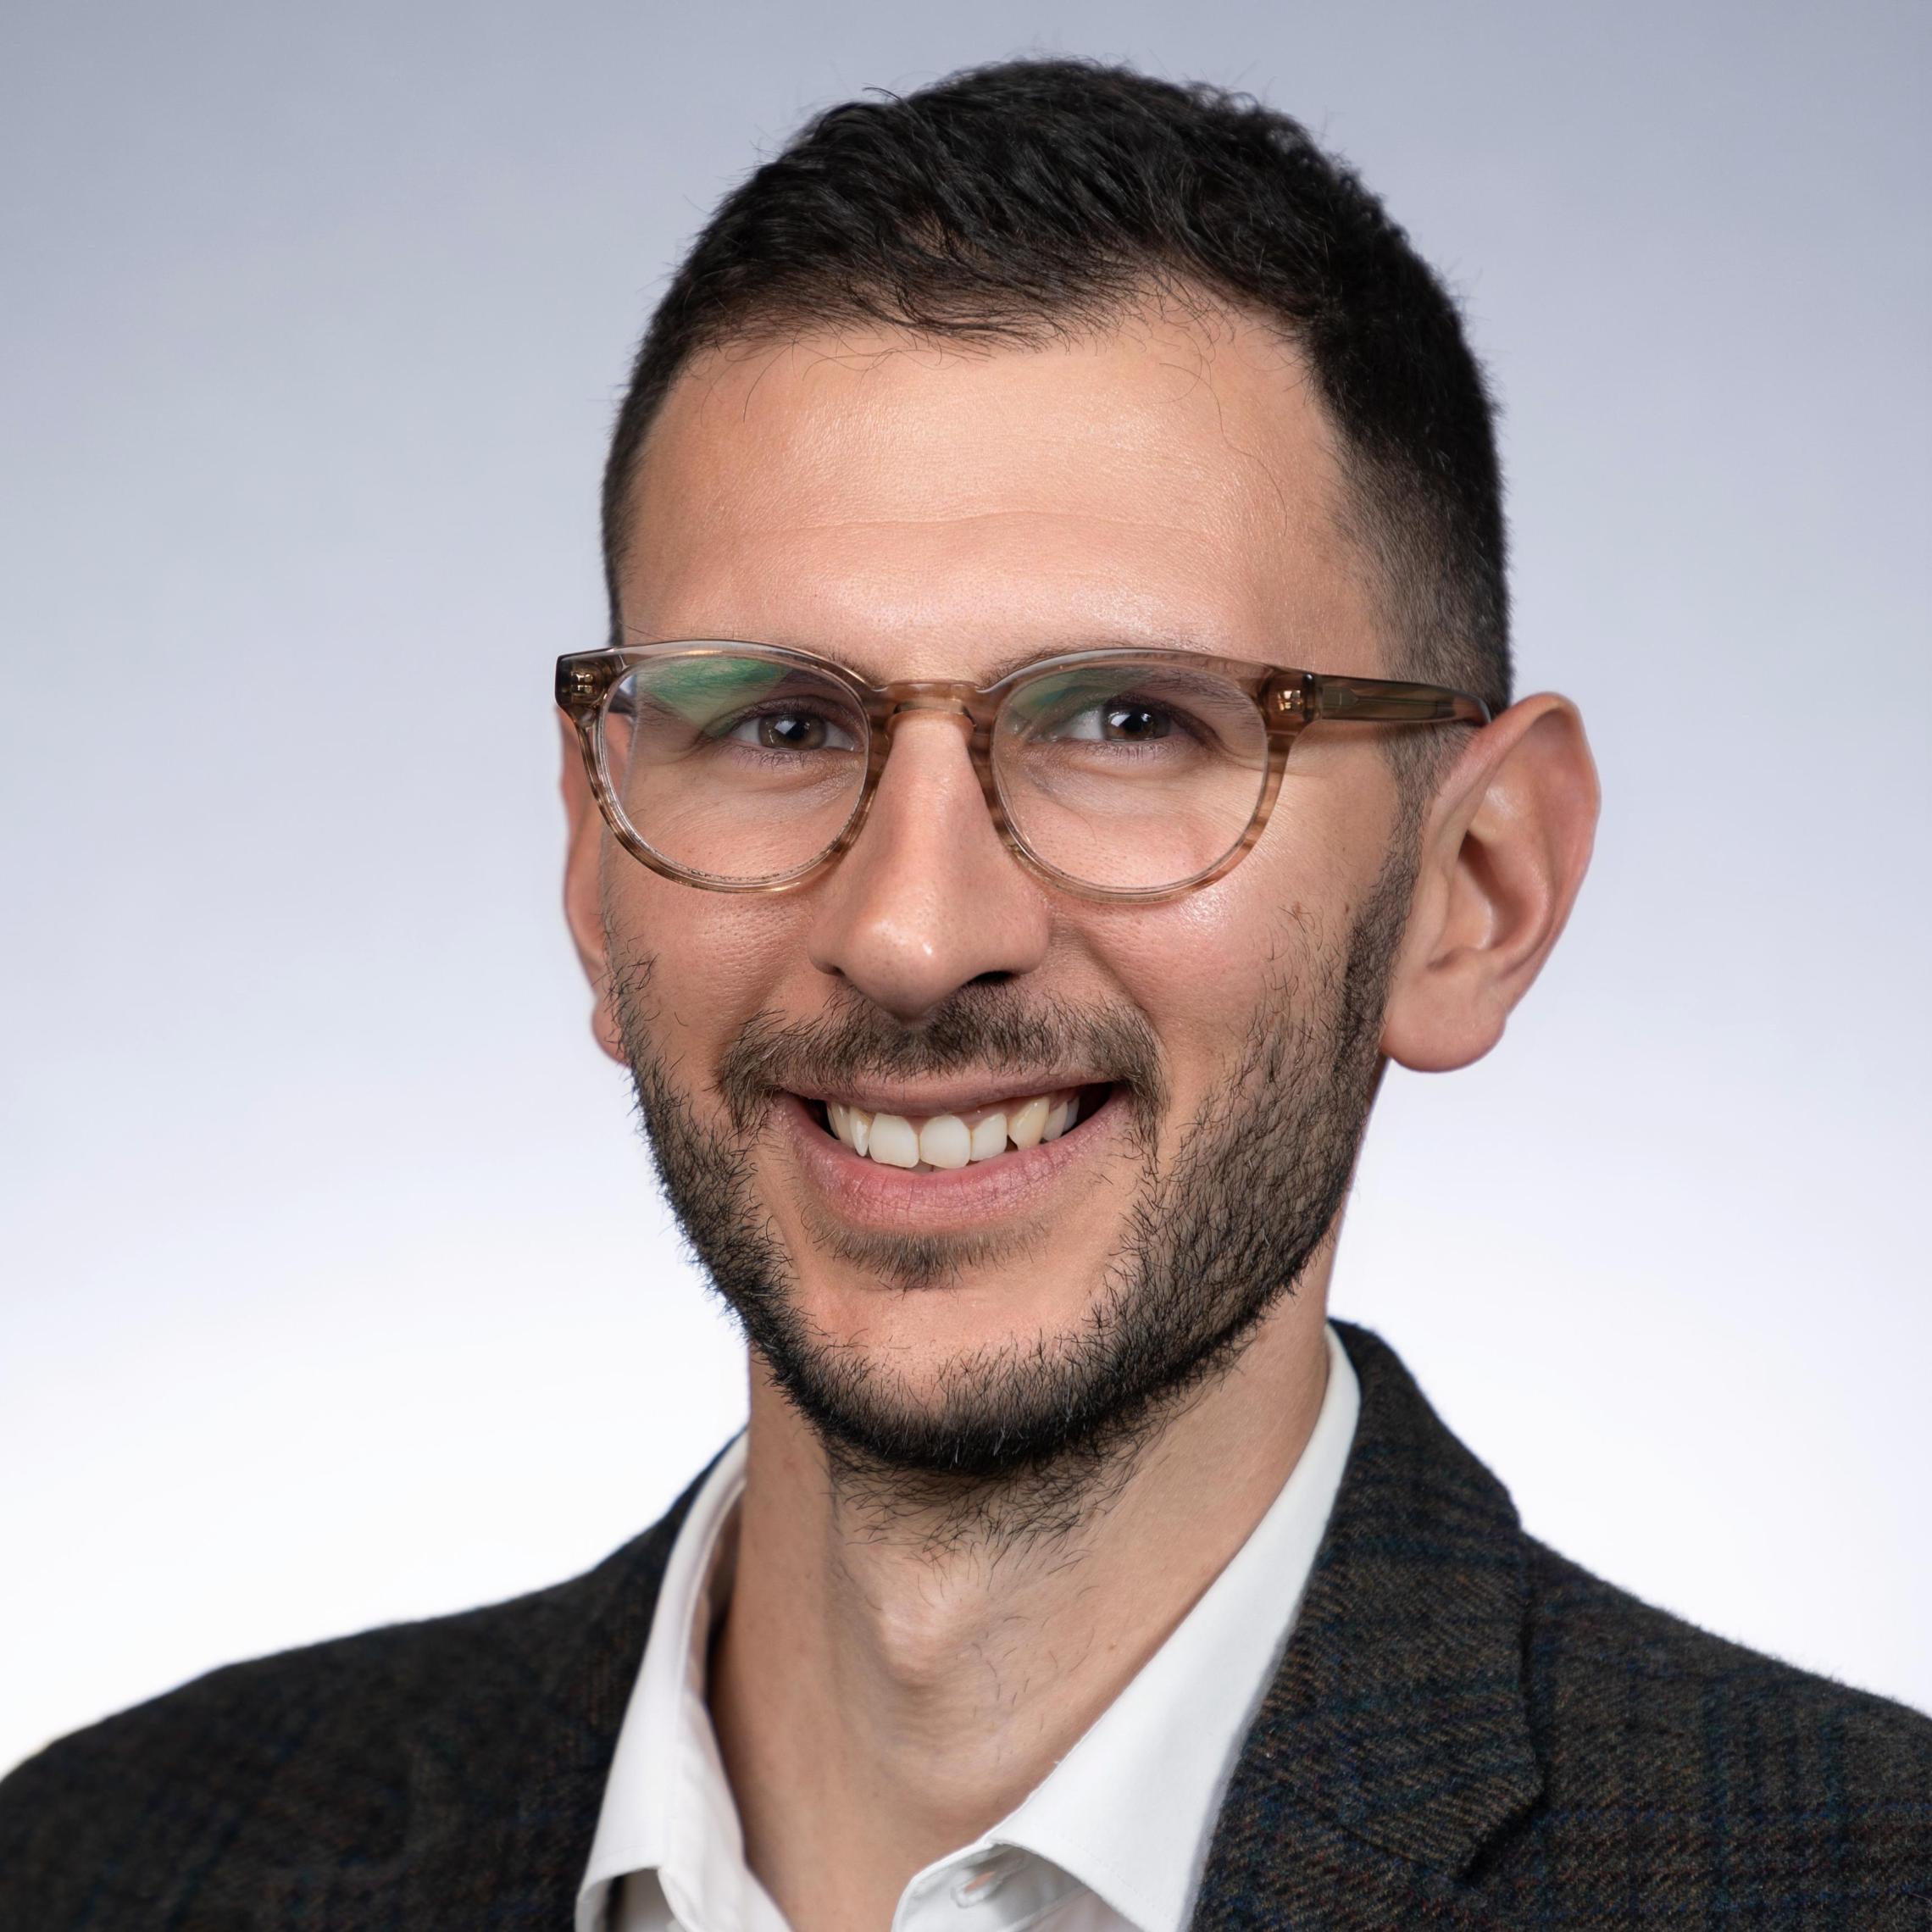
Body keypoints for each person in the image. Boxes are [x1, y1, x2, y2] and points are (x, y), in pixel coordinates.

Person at [3, 56, 1926, 1932]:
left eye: (1128, 721)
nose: (915, 935)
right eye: (777, 724)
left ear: (1477, 891)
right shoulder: (100, 1868)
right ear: (597, 870)